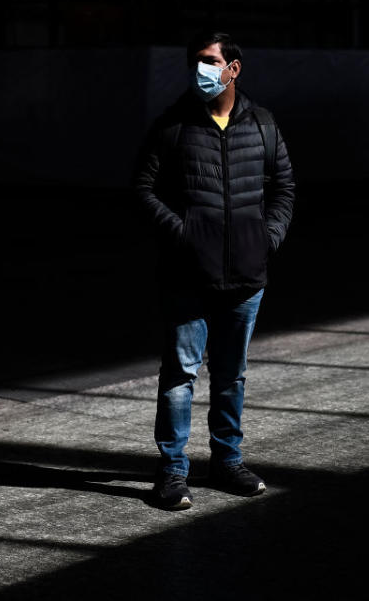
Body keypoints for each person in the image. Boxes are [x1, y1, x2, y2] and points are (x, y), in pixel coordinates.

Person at [131, 30, 295, 510]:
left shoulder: (262, 124)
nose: (199, 70)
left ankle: (226, 462)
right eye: (195, 62)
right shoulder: (174, 125)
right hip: (188, 276)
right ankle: (171, 472)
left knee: (230, 375)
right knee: (180, 375)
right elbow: (144, 188)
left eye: (208, 61)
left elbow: (284, 188)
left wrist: (267, 240)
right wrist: (183, 236)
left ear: (233, 68)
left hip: (245, 277)